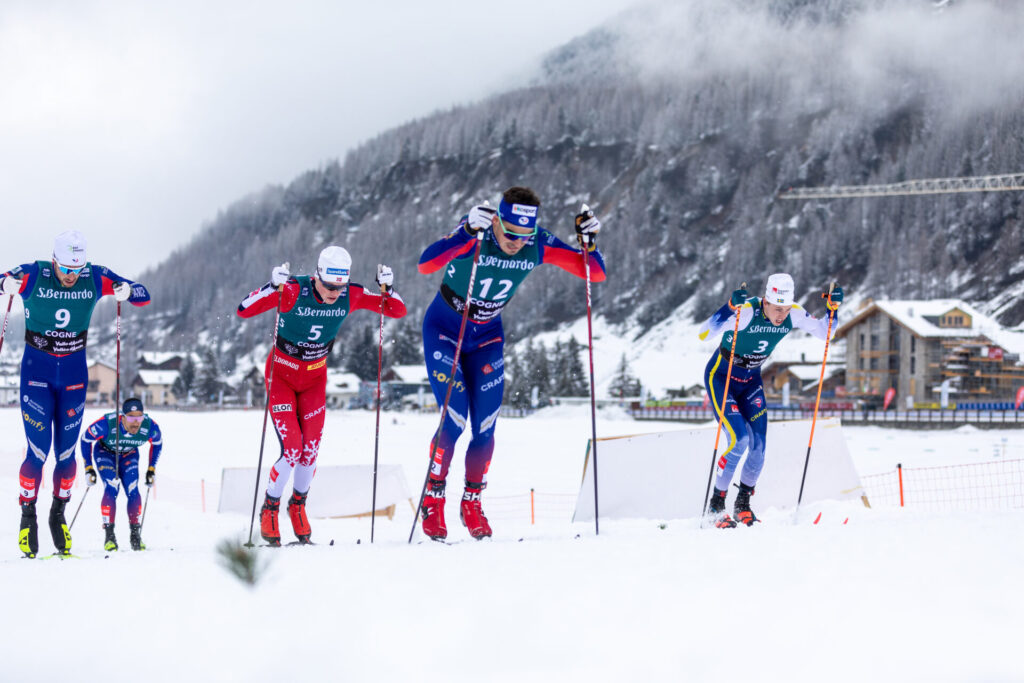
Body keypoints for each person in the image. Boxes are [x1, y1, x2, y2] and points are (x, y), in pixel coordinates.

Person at [416, 186, 605, 540]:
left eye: (525, 235)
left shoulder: (537, 243)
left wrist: (589, 243)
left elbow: (594, 273)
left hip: (487, 337)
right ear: (497, 221)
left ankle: (471, 501)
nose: (517, 242)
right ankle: (433, 497)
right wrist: (464, 232)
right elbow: (426, 263)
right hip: (445, 330)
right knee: (454, 420)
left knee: (485, 428)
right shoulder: (475, 232)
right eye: (511, 234)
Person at [237, 247, 406, 546]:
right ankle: (270, 506)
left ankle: (298, 505)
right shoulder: (292, 291)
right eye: (328, 286)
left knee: (310, 450)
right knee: (292, 448)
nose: (333, 293)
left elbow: (396, 310)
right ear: (317, 276)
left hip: (315, 378)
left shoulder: (350, 295)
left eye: (339, 287)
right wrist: (271, 286)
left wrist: (388, 289)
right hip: (282, 375)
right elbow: (244, 309)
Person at [1, 231, 150, 558]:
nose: (71, 275)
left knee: (66, 456)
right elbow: (3, 279)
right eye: (66, 268)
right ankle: (28, 517)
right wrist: (4, 285)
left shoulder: (94, 276)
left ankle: (58, 513)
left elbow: (143, 294)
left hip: (73, 380)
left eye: (76, 268)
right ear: (54, 261)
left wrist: (126, 290)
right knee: (37, 453)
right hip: (36, 378)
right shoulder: (34, 274)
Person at [698, 273, 842, 527]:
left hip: (751, 382)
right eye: (777, 309)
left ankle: (743, 504)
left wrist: (833, 310)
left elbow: (825, 333)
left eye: (786, 309)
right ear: (765, 301)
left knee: (759, 448)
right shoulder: (747, 312)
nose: (781, 316)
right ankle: (715, 507)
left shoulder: (794, 313)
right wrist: (728, 308)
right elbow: (703, 334)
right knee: (739, 439)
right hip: (722, 377)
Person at [80, 397, 163, 551]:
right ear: (122, 417)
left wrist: (151, 468)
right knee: (112, 487)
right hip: (105, 453)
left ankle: (135, 536)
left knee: (133, 489)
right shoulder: (107, 423)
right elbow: (85, 439)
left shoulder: (149, 426)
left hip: (129, 455)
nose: (136, 422)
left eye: (139, 417)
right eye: (131, 417)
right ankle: (109, 536)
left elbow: (157, 443)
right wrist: (88, 467)